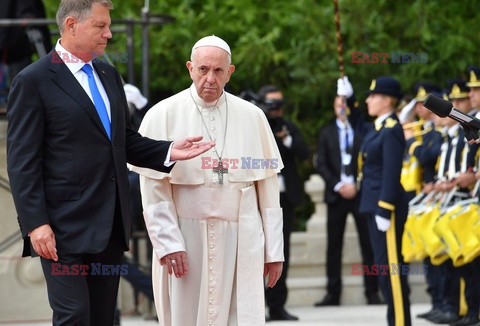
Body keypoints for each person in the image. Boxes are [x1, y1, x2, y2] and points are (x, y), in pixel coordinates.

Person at [6, 1, 214, 325]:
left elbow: (123, 140)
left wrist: (170, 150)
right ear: (72, 25)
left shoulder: (108, 73)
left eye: (109, 25)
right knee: (74, 315)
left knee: (103, 318)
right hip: (62, 228)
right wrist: (35, 224)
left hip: (110, 224)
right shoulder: (33, 81)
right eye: (100, 26)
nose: (109, 34)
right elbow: (22, 162)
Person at [130, 35, 285, 325]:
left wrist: (274, 250)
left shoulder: (253, 116)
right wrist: (168, 243)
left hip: (241, 238)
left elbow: (268, 188)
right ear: (190, 68)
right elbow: (153, 187)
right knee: (184, 315)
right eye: (203, 70)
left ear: (230, 72)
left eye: (218, 71)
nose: (210, 79)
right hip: (184, 236)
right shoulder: (162, 113)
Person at [346, 76, 412, 326]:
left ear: (387, 100)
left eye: (373, 96)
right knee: (384, 269)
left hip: (386, 208)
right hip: (374, 205)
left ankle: (401, 322)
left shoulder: (392, 129)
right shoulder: (379, 128)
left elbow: (392, 171)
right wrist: (348, 98)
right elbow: (357, 124)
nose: (368, 101)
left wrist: (385, 208)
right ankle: (394, 320)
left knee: (392, 270)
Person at [314, 86, 382, 307]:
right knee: (334, 246)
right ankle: (332, 293)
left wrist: (356, 184)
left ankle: (372, 292)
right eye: (338, 105)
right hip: (336, 195)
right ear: (334, 108)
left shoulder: (363, 130)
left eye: (346, 104)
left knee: (368, 244)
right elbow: (321, 163)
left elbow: (372, 162)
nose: (342, 109)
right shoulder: (325, 132)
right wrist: (337, 185)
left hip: (360, 194)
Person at [257, 85, 309, 321]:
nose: (276, 109)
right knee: (256, 253)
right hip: (258, 200)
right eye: (271, 104)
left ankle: (278, 306)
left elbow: (304, 153)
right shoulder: (255, 126)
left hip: (284, 199)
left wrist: (287, 139)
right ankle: (258, 306)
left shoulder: (288, 127)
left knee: (281, 252)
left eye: (279, 104)